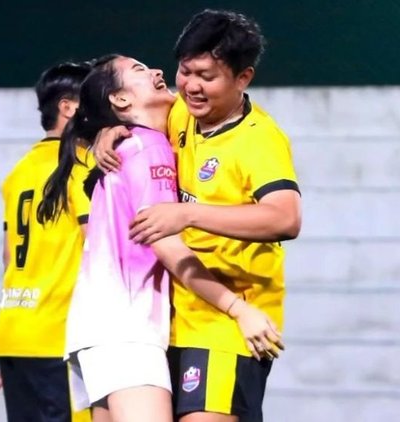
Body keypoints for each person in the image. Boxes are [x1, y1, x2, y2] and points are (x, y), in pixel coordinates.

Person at [38, 54, 281, 422]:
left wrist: (105, 129)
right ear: (120, 100)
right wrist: (239, 308)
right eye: (139, 70)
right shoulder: (148, 148)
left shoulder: (130, 143)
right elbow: (167, 243)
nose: (156, 72)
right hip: (126, 331)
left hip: (96, 330)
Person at [95, 9, 302, 422]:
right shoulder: (180, 113)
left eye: (207, 76)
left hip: (228, 325)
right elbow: (133, 107)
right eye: (185, 71)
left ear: (243, 78)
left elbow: (285, 218)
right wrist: (109, 129)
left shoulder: (260, 141)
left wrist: (188, 215)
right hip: (168, 322)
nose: (191, 86)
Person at [0, 61, 93, 422]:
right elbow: (97, 248)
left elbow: (9, 257)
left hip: (16, 333)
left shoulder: (19, 170)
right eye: (94, 98)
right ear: (68, 107)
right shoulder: (78, 164)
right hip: (59, 335)